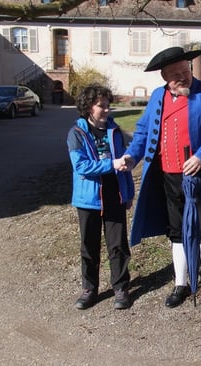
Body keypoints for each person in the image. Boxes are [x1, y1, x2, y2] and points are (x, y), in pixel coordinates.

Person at [114, 46, 201, 312]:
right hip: (168, 176)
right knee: (176, 231)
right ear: (164, 77)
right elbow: (143, 132)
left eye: (185, 71)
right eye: (176, 74)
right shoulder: (157, 97)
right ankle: (180, 284)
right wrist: (131, 156)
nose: (183, 77)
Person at [66, 84, 135, 310]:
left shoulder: (115, 131)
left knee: (118, 245)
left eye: (108, 106)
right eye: (101, 106)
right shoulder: (76, 133)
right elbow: (81, 166)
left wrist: (129, 192)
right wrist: (111, 164)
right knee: (89, 245)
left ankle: (121, 288)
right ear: (88, 107)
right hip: (89, 198)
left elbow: (124, 163)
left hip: (114, 194)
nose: (106, 110)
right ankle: (89, 289)